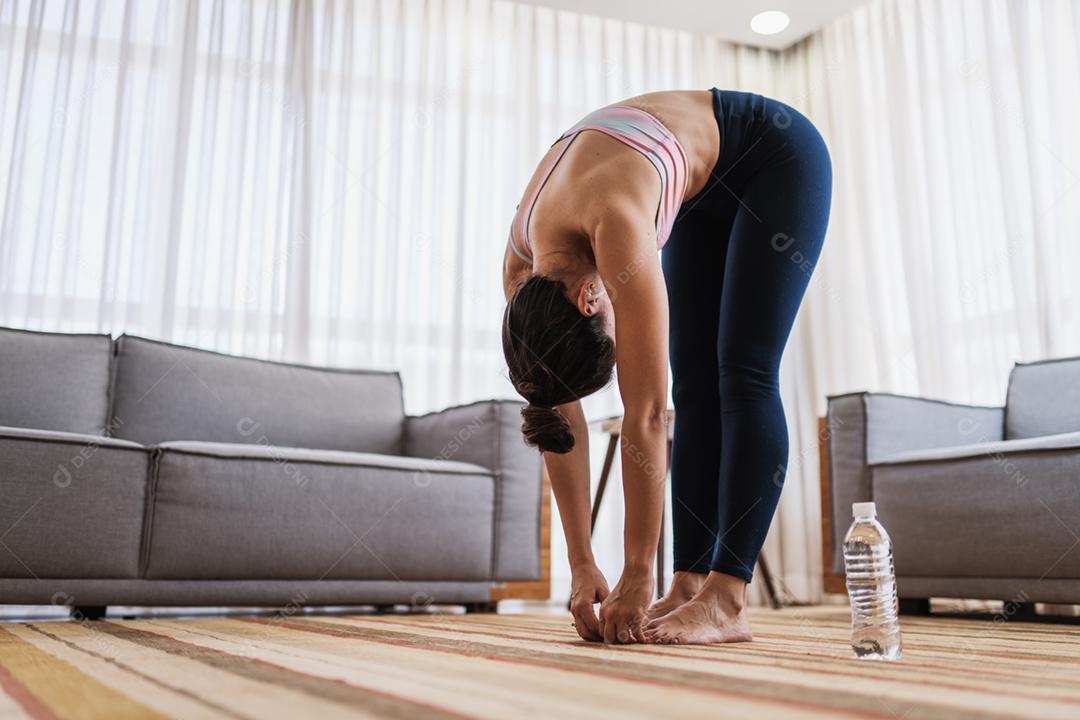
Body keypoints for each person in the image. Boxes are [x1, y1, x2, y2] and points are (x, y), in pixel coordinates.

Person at [501, 89, 831, 645]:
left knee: (743, 370)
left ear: (588, 300)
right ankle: (687, 582)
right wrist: (581, 564)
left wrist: (634, 572)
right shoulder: (521, 270)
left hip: (776, 156)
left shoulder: (617, 223)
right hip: (699, 192)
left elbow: (647, 415)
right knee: (695, 382)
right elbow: (554, 414)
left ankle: (727, 600)